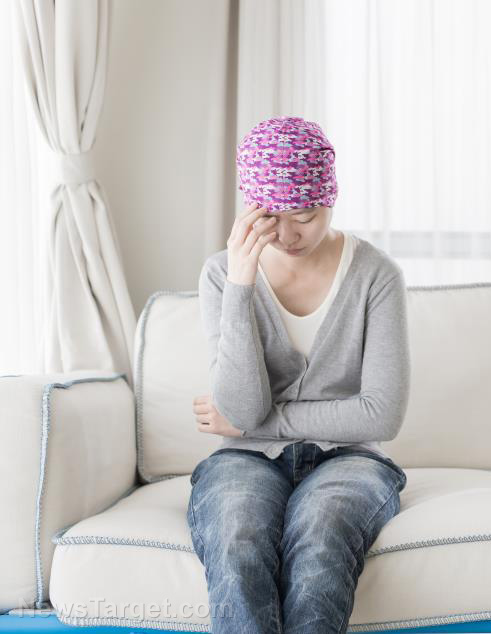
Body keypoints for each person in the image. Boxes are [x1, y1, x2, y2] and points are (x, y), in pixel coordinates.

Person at [187, 115, 410, 634]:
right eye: (270, 217)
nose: (287, 235)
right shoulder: (221, 274)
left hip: (351, 459)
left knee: (323, 532)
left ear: (330, 197)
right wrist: (241, 284)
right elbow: (242, 408)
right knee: (237, 534)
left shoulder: (377, 275)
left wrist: (259, 423)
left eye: (305, 215)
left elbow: (381, 415)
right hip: (244, 459)